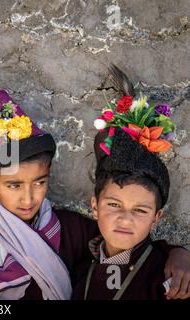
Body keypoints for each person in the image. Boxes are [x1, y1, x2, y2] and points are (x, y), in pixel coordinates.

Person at [0, 63, 190, 300]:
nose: (29, 198)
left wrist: (176, 253)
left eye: (39, 182)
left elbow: (124, 241)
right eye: (14, 185)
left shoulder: (71, 230)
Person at [72, 67, 190, 300]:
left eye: (140, 210)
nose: (125, 219)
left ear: (157, 217)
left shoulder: (171, 281)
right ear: (94, 206)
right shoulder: (79, 268)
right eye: (114, 205)